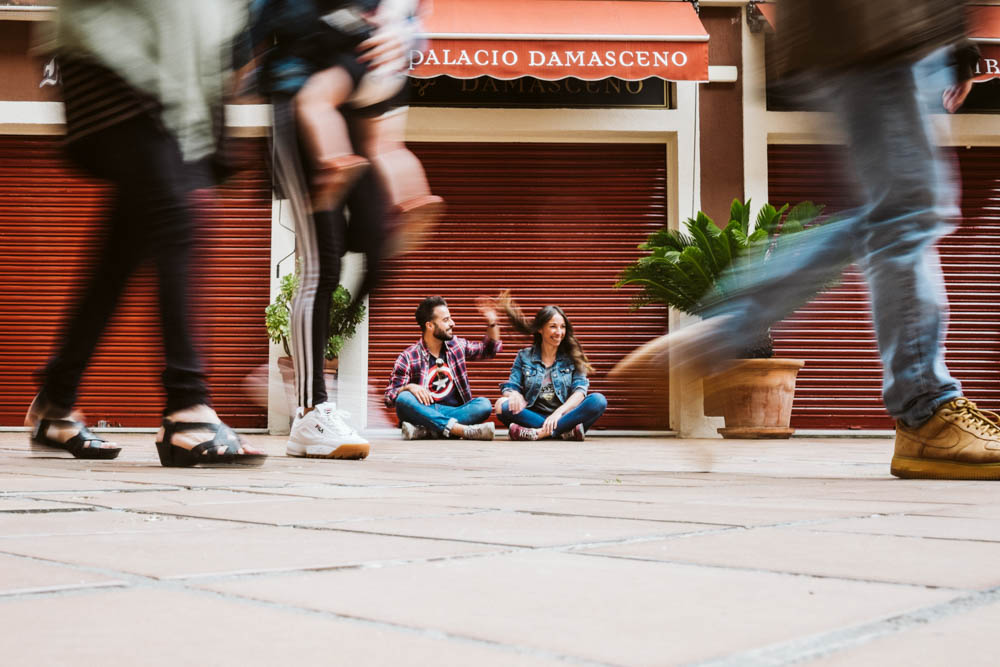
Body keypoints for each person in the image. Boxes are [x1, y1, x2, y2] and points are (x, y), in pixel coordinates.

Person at [613, 0, 998, 480]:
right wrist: (957, 45)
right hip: (888, 29)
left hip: (865, 34)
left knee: (890, 218)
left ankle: (721, 331)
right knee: (906, 216)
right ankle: (926, 410)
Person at [26, 0, 266, 467]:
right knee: (179, 217)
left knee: (123, 249)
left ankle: (54, 403)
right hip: (111, 51)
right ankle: (187, 408)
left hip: (176, 72)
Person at [247, 0, 422, 459]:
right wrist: (347, 27)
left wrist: (402, 38)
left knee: (379, 247)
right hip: (302, 99)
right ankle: (310, 408)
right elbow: (265, 19)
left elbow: (411, 21)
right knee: (321, 265)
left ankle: (316, 382)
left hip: (361, 107)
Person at [385, 296, 501, 440]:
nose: (452, 323)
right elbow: (390, 397)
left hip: (454, 411)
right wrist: (409, 387)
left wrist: (492, 322)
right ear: (430, 326)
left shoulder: (457, 346)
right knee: (404, 398)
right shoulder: (408, 357)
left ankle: (427, 430)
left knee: (484, 405)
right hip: (425, 409)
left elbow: (489, 350)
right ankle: (461, 430)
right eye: (446, 320)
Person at [494, 293, 607, 441]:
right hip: (534, 416)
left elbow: (580, 391)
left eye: (562, 327)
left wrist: (558, 413)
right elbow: (512, 385)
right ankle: (565, 432)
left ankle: (540, 433)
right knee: (502, 406)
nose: (559, 332)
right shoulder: (524, 356)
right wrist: (514, 395)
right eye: (553, 326)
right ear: (540, 329)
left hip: (566, 415)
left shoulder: (573, 356)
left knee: (598, 400)